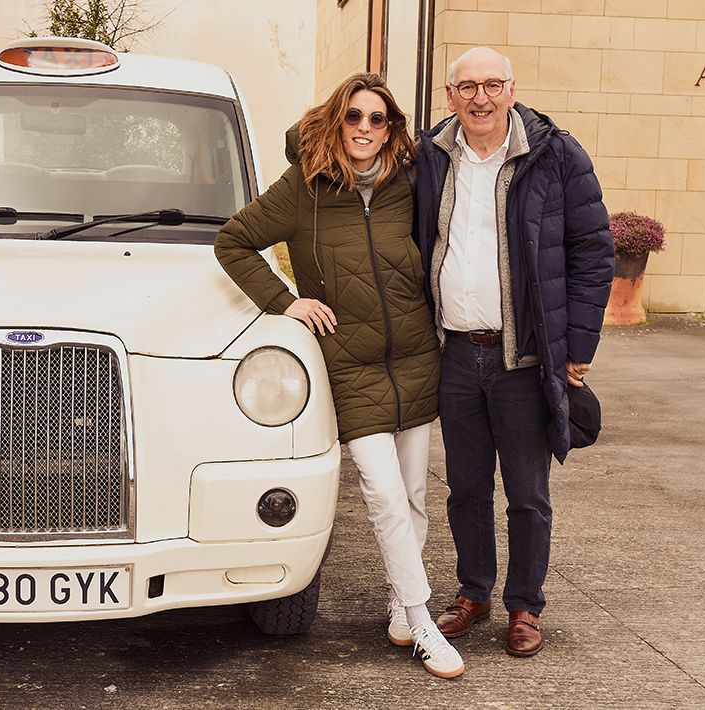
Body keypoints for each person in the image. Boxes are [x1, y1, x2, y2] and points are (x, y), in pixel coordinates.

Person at [215, 73, 464, 679]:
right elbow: (234, 241)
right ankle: (423, 620)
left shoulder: (408, 180)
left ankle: (399, 601)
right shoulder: (305, 186)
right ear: (336, 120)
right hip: (350, 365)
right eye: (353, 116)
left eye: (377, 118)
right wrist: (286, 302)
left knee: (414, 494)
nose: (364, 128)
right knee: (383, 495)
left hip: (415, 357)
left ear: (391, 127)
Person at [414, 47, 614, 657]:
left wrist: (577, 345)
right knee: (465, 489)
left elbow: (593, 252)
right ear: (450, 95)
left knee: (527, 494)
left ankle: (525, 605)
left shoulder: (556, 154)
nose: (480, 98)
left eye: (492, 85)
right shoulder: (429, 156)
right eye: (467, 87)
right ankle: (473, 592)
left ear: (512, 89)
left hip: (524, 358)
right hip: (454, 354)